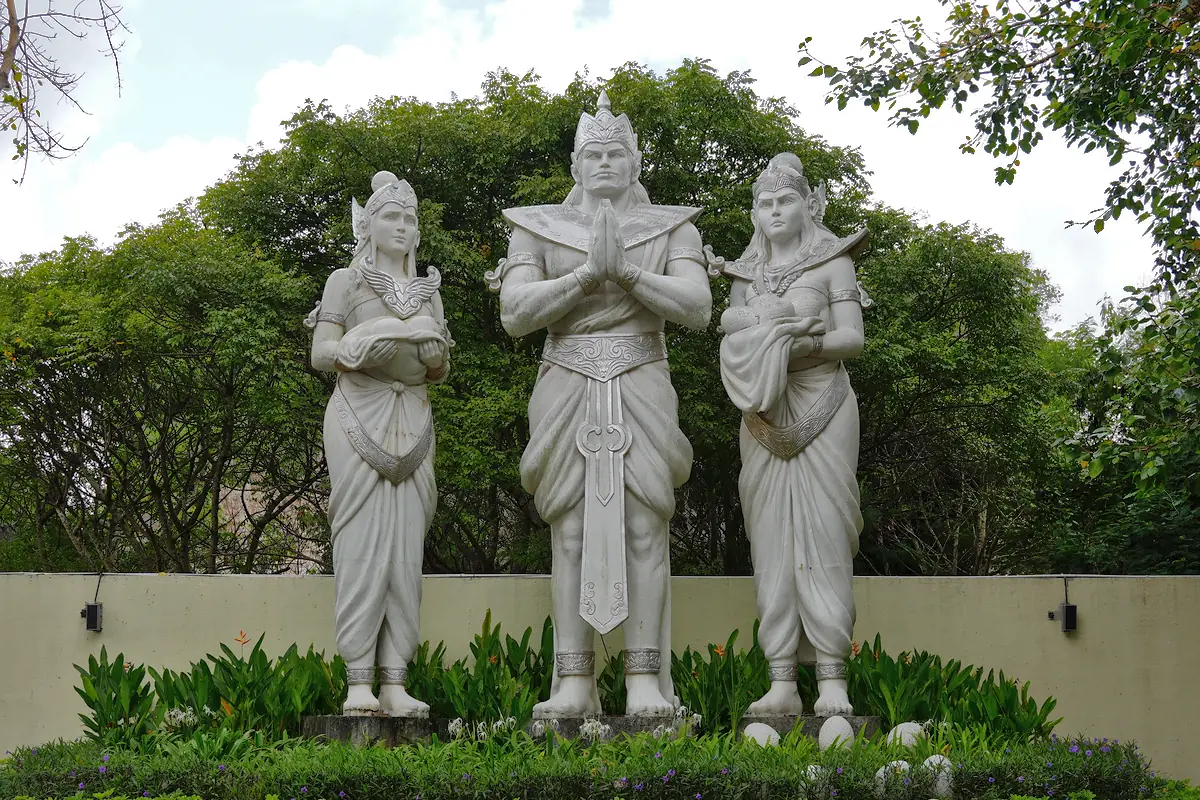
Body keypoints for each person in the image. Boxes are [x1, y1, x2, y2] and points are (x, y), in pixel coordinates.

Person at [486, 92, 712, 717]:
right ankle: (574, 682)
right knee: (572, 532)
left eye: (617, 153)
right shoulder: (536, 229)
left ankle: (644, 680)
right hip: (566, 378)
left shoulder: (673, 228)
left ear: (635, 162)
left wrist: (631, 275)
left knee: (645, 525)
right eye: (594, 153)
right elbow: (514, 315)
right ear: (576, 165)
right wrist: (587, 274)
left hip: (641, 374)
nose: (606, 162)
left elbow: (697, 309)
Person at [716, 152, 870, 716]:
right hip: (761, 411)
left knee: (826, 535)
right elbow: (732, 342)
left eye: (786, 201)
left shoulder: (834, 264)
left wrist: (801, 346)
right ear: (755, 212)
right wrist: (766, 345)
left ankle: (833, 681)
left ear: (810, 205)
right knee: (772, 540)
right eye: (765, 202)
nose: (775, 210)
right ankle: (780, 677)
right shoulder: (742, 275)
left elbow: (852, 337)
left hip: (824, 403)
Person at [305, 170, 452, 716]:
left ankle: (395, 680)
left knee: (405, 552)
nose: (403, 226)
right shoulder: (345, 281)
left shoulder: (428, 292)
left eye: (410, 218)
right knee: (362, 546)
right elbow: (323, 352)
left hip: (414, 417)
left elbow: (438, 367)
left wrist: (428, 349)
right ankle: (358, 681)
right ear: (367, 225)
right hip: (356, 415)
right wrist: (369, 338)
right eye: (391, 216)